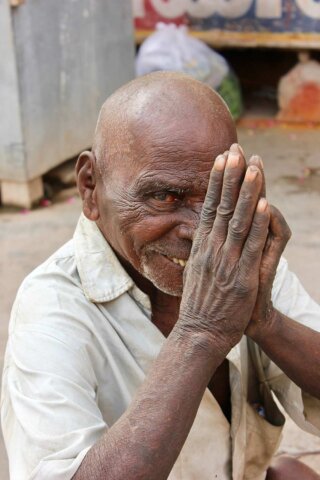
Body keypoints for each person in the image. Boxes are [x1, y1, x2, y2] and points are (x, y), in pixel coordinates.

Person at [2, 72, 320, 480]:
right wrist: (200, 333)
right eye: (164, 197)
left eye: (217, 197)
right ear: (89, 187)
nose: (198, 231)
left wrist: (266, 322)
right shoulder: (51, 308)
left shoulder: (232, 259)